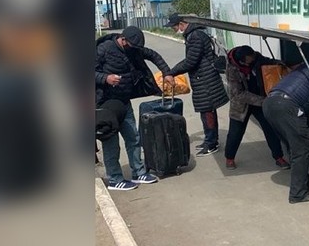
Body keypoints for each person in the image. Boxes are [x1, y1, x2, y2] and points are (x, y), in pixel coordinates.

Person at [95, 26, 169, 190]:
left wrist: (167, 72)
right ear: (123, 39)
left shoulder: (133, 48)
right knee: (111, 144)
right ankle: (115, 179)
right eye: (131, 46)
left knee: (133, 138)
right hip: (105, 104)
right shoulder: (104, 49)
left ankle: (138, 172)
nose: (134, 50)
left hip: (124, 101)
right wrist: (105, 78)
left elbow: (153, 55)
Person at [163, 14, 229, 156]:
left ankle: (212, 143)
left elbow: (190, 61)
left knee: (208, 111)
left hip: (206, 80)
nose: (174, 30)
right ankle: (209, 139)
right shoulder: (194, 34)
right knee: (206, 111)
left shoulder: (195, 36)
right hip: (203, 79)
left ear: (182, 24)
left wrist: (171, 72)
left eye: (174, 27)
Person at [263, 63, 309, 204]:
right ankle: (297, 194)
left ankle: (305, 184)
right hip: (286, 106)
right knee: (300, 150)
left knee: (293, 147)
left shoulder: (306, 68)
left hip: (270, 103)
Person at [223, 45, 289, 170]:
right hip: (241, 104)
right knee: (235, 132)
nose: (251, 62)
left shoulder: (255, 57)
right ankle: (229, 158)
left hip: (259, 101)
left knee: (270, 128)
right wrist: (263, 101)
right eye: (248, 61)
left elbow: (268, 62)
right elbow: (238, 94)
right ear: (241, 60)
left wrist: (278, 63)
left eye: (252, 59)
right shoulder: (232, 69)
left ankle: (278, 157)